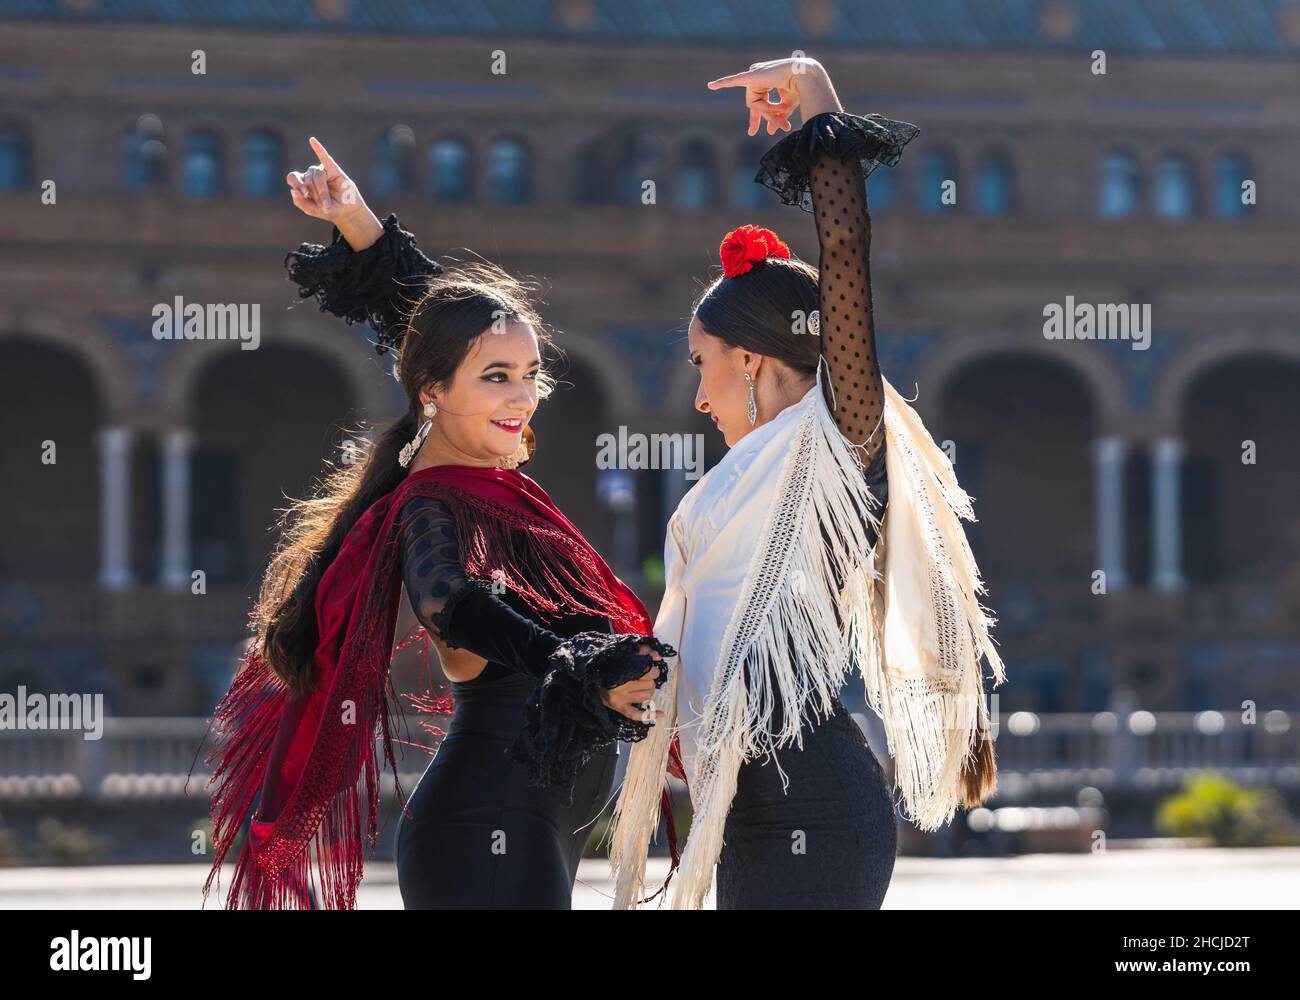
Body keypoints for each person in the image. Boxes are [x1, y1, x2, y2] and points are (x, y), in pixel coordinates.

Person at [195, 140, 673, 909]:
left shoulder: (491, 489)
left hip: (525, 829)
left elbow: (435, 322)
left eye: (530, 374)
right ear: (431, 392)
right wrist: (575, 659)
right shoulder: (432, 504)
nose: (522, 397)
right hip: (486, 830)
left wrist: (354, 219)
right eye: (496, 379)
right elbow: (455, 602)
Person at [607, 57, 1008, 909]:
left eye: (702, 366)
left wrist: (816, 102)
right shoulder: (748, 474)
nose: (697, 393)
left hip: (816, 806)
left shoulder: (839, 441)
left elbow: (847, 254)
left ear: (750, 359)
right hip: (746, 807)